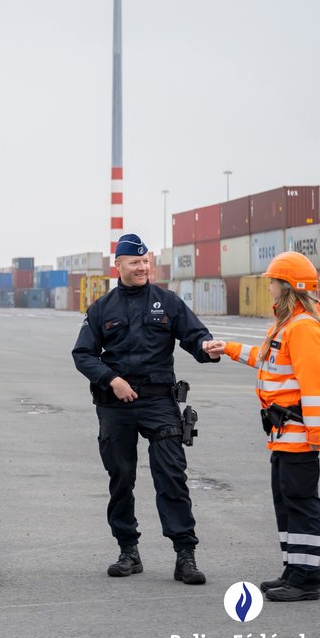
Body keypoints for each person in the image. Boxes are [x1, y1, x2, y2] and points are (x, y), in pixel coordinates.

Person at [72, 233, 219, 585]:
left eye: (145, 261)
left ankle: (185, 554)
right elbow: (82, 354)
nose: (141, 267)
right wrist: (112, 379)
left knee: (171, 475)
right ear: (118, 265)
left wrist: (206, 349)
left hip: (158, 403)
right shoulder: (102, 308)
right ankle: (128, 551)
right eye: (134, 262)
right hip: (115, 405)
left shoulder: (167, 302)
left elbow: (195, 337)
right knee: (121, 478)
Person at [203, 252, 320, 601]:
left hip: (298, 435)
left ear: (288, 286)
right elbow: (268, 361)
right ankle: (293, 569)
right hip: (283, 434)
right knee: (286, 502)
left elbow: (315, 386)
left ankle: (306, 578)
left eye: (272, 282)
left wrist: (314, 435)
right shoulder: (287, 325)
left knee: (300, 502)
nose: (268, 287)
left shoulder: (305, 328)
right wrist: (231, 349)